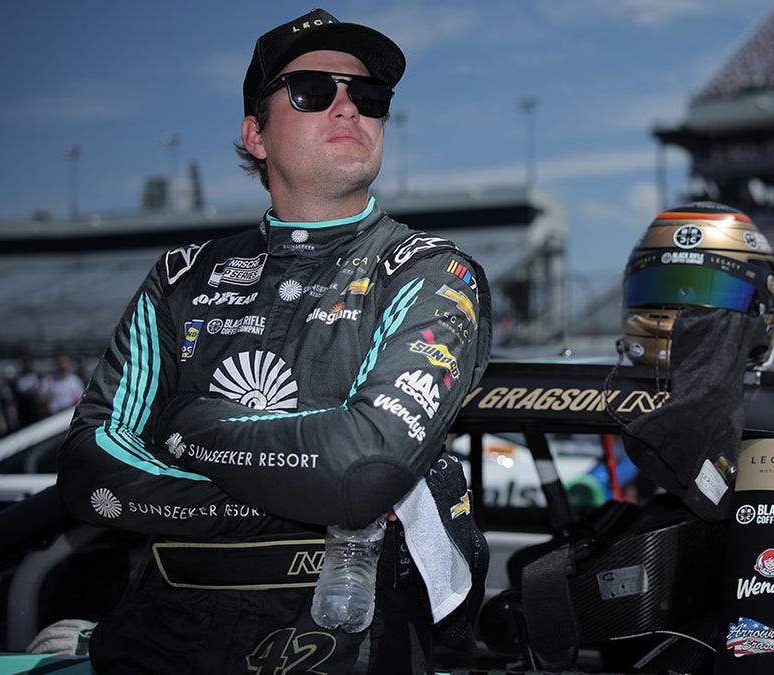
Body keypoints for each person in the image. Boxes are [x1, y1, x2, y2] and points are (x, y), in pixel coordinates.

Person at [56, 9, 491, 674]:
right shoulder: (182, 276)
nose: (349, 106)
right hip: (161, 623)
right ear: (255, 134)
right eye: (314, 91)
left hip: (348, 627)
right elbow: (91, 469)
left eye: (369, 97)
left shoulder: (429, 269)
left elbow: (360, 472)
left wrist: (189, 427)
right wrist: (268, 502)